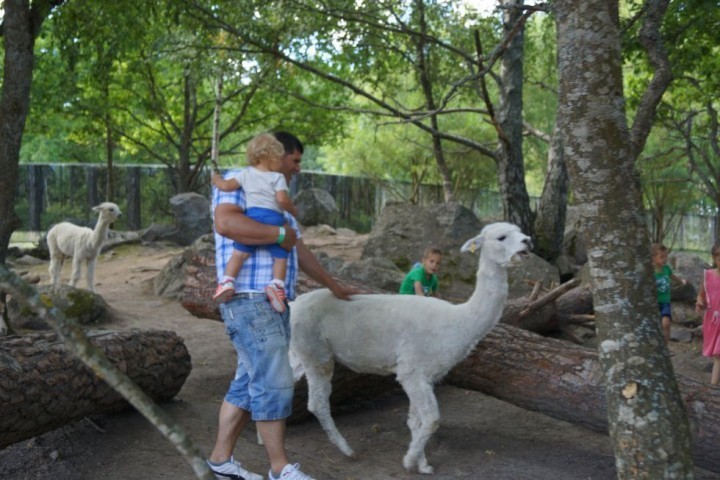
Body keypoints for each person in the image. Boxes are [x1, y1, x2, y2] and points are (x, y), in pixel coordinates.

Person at [206, 131, 357, 480]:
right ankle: (280, 468)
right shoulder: (239, 180)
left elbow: (299, 250)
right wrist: (277, 236)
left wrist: (335, 286)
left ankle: (220, 460)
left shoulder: (279, 197)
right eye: (296, 160)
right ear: (276, 155)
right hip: (249, 298)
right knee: (275, 380)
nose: (299, 168)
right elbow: (226, 223)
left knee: (247, 383)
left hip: (272, 303)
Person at [211, 133, 298, 311]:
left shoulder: (245, 175)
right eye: (279, 158)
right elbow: (282, 200)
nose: (281, 163)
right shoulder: (277, 178)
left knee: (238, 254)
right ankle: (276, 286)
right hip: (274, 220)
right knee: (280, 256)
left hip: (253, 218)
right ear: (271, 157)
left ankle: (227, 281)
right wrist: (293, 210)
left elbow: (226, 186)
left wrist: (216, 179)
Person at [652, 243, 687, 345]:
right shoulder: (651, 272)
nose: (664, 259)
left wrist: (681, 281)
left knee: (666, 323)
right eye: (661, 257)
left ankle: (665, 347)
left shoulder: (667, 269)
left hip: (665, 302)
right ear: (653, 258)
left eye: (666, 257)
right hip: (654, 303)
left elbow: (672, 276)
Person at [696, 244, 720, 385]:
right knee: (718, 354)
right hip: (712, 320)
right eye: (719, 257)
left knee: (718, 353)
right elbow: (700, 295)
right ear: (714, 258)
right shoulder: (707, 275)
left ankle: (713, 386)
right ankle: (714, 388)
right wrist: (700, 303)